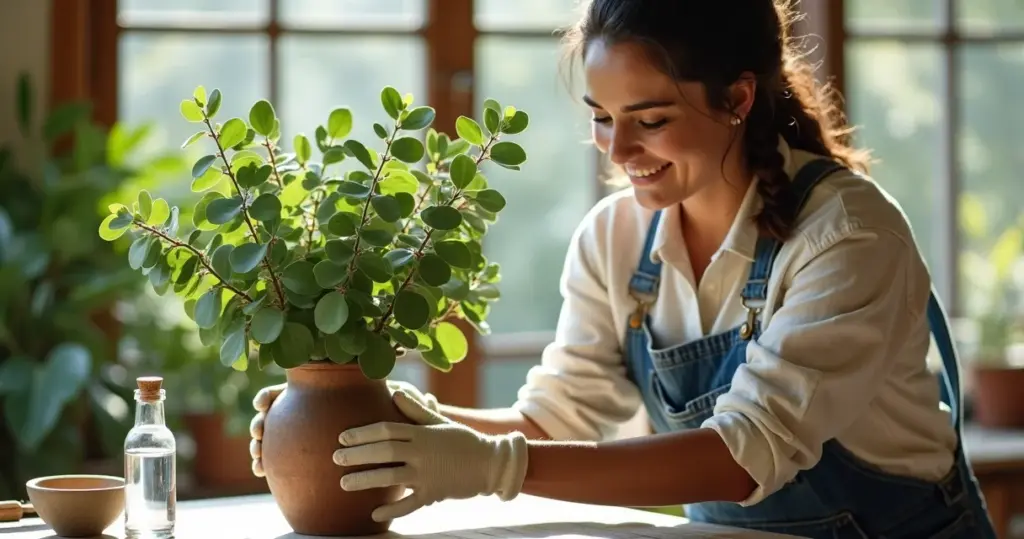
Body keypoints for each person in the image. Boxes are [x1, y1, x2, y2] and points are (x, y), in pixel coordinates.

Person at [248, 1, 998, 537]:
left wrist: (491, 467)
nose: (616, 151)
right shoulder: (616, 237)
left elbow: (743, 456)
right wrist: (386, 422)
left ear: (737, 97)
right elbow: (555, 418)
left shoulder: (848, 235)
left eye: (651, 118)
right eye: (602, 116)